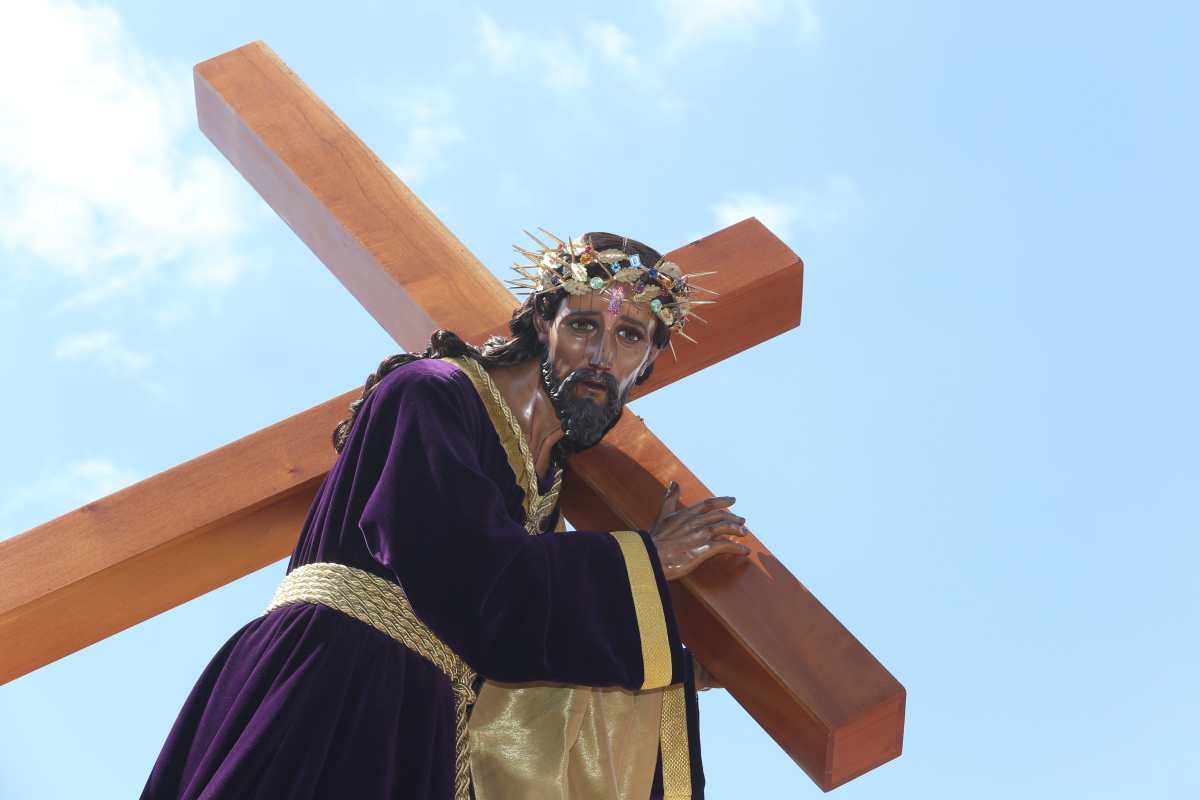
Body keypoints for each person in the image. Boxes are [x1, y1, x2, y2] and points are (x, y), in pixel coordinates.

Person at [141, 231, 749, 800]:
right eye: (584, 325)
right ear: (543, 324)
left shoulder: (547, 485)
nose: (600, 354)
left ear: (647, 362)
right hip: (331, 677)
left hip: (421, 717)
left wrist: (660, 665)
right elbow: (465, 570)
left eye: (629, 337)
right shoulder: (430, 393)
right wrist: (641, 562)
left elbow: (512, 643)